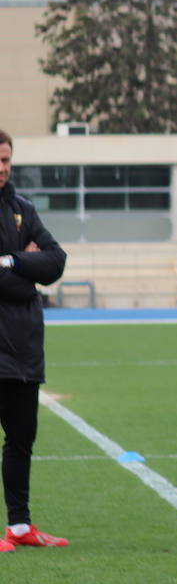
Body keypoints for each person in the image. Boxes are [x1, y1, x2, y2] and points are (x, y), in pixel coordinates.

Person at [0, 129, 69, 554]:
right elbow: (29, 280)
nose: (2, 169)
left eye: (6, 160)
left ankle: (19, 525)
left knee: (22, 438)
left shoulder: (23, 209)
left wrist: (11, 261)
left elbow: (56, 261)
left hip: (24, 349)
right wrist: (29, 276)